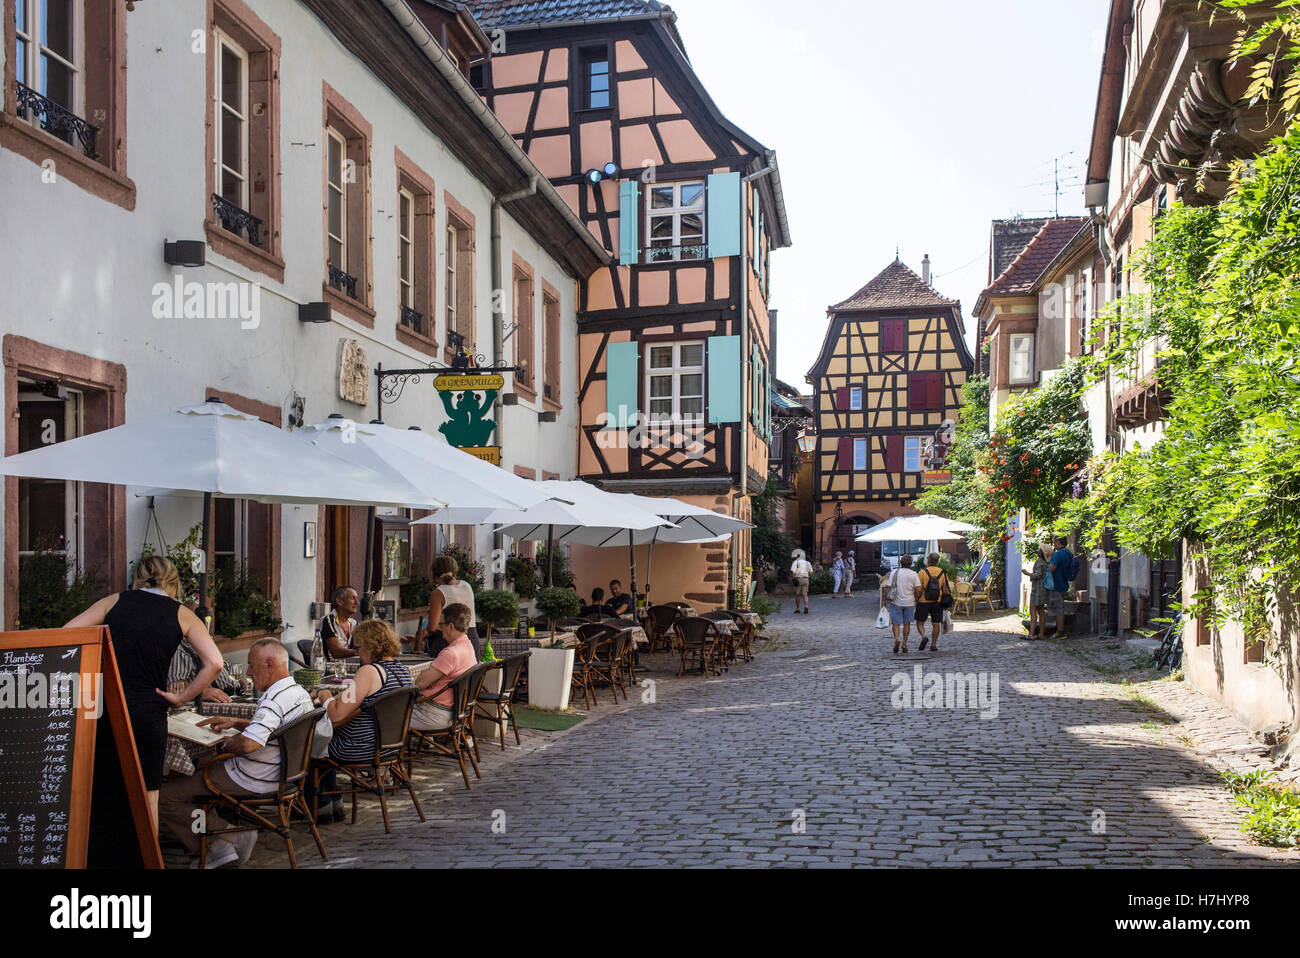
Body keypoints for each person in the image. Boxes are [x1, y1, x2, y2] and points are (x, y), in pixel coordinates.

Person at [65, 555, 222, 825]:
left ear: (137, 578)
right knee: (149, 791)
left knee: (104, 786)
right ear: (173, 583)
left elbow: (67, 633)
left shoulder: (114, 601)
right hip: (148, 709)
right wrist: (182, 697)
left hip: (106, 707)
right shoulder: (181, 612)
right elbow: (215, 663)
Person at [158, 638, 313, 868]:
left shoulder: (273, 700)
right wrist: (237, 722)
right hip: (284, 774)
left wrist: (222, 742)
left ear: (269, 664)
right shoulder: (296, 692)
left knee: (166, 797)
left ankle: (221, 842)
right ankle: (226, 835)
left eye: (252, 665)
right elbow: (275, 730)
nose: (249, 672)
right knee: (199, 768)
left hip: (254, 776)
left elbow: (249, 745)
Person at [308, 620, 412, 823]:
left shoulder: (369, 672)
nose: (356, 653)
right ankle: (334, 802)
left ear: (370, 645)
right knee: (323, 742)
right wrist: (336, 698)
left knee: (308, 744)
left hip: (361, 746)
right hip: (391, 746)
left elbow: (337, 714)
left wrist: (324, 695)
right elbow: (354, 699)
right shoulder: (401, 670)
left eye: (357, 647)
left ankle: (320, 807)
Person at [410, 604, 479, 731]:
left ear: (451, 626)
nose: (439, 629)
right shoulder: (468, 646)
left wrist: (424, 673)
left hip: (435, 714)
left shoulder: (450, 653)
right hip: (455, 712)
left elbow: (420, 683)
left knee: (387, 713)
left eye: (441, 624)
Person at [427, 554, 481, 658]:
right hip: (472, 639)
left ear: (435, 575)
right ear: (455, 571)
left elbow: (432, 627)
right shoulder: (467, 586)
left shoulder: (438, 593)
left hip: (448, 642)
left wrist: (423, 634)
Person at [167, 635, 243, 704]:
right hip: (218, 701)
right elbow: (175, 683)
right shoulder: (181, 649)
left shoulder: (205, 643)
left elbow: (225, 666)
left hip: (236, 693)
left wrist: (240, 681)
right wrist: (202, 692)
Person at [883, 554, 922, 654]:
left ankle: (897, 639)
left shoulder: (895, 572)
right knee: (907, 623)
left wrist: (884, 598)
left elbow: (888, 586)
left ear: (900, 562)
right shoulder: (914, 574)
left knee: (896, 623)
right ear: (911, 563)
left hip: (896, 601)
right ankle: (904, 643)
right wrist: (917, 598)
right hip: (909, 602)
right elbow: (919, 589)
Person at [915, 553, 952, 652]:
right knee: (936, 623)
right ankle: (933, 645)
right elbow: (945, 589)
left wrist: (916, 599)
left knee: (920, 622)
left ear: (928, 560)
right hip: (937, 601)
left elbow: (918, 589)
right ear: (937, 561)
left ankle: (923, 636)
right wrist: (946, 604)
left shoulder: (922, 573)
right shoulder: (942, 572)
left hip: (923, 601)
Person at [1020, 543, 1050, 640]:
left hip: (1037, 589)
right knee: (1041, 612)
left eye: (1039, 548)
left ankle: (1031, 634)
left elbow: (1037, 575)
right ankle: (1041, 634)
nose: (1037, 549)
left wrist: (1027, 573)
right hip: (1043, 589)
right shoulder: (1045, 562)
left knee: (1033, 611)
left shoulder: (1039, 561)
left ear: (1041, 552)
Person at [1047, 537, 1075, 640]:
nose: (1053, 544)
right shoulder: (1068, 553)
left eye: (1054, 542)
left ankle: (1060, 632)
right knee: (1059, 607)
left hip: (1056, 584)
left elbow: (1052, 569)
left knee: (1058, 609)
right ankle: (1059, 630)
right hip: (1063, 583)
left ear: (1058, 542)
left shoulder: (1058, 554)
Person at [320, 586, 359, 660]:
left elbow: (361, 644)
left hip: (346, 667)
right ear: (339, 601)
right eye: (352, 598)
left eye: (356, 599)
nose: (357, 602)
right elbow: (336, 652)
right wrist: (359, 652)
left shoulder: (354, 624)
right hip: (328, 668)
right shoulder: (328, 620)